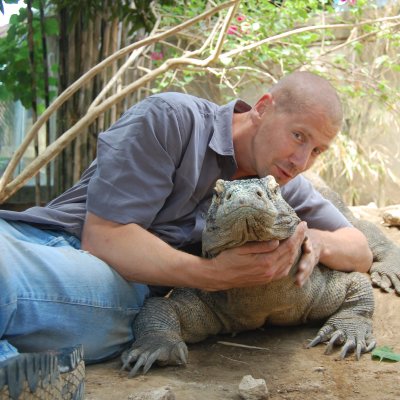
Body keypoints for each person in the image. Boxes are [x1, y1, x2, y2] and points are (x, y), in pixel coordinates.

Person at [0, 71, 372, 367]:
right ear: (262, 107)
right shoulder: (172, 119)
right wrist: (215, 276)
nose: (301, 160)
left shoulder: (277, 184)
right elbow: (105, 238)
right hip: (56, 242)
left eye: (317, 150)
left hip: (113, 283)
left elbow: (359, 249)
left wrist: (315, 242)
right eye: (298, 136)